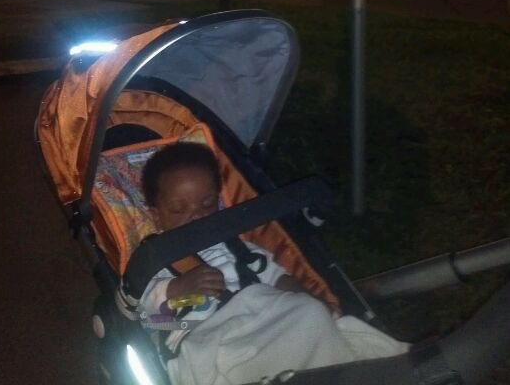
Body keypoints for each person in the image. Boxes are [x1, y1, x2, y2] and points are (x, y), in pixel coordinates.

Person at [139, 141, 408, 385]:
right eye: (179, 210)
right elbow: (148, 317)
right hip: (209, 330)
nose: (196, 217)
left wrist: (310, 300)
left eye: (207, 204)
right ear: (157, 216)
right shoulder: (154, 261)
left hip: (263, 311)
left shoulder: (239, 247)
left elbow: (276, 277)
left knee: (309, 312)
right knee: (239, 354)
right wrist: (178, 289)